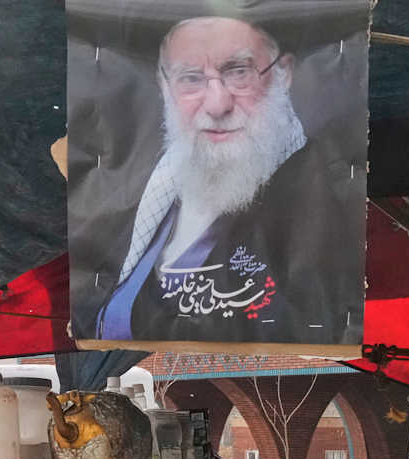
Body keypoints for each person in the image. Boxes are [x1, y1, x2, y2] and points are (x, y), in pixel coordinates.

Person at [93, 13, 364, 345]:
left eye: (239, 72)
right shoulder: (144, 183)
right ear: (164, 84)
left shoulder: (328, 196)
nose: (217, 104)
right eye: (190, 78)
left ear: (284, 73)